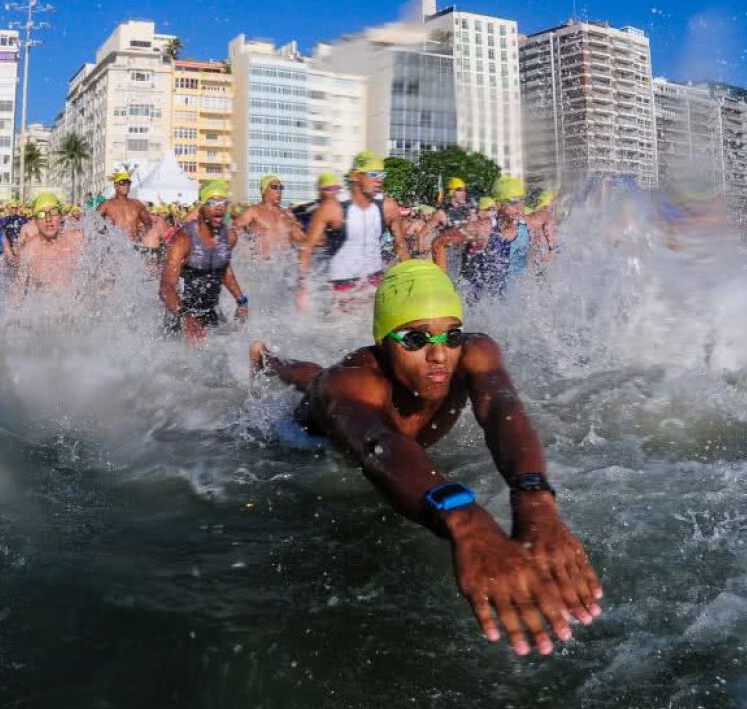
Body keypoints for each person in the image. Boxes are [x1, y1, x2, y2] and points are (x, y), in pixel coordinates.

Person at [249, 260, 601, 656]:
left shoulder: (474, 353)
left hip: (372, 416)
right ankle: (268, 361)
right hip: (314, 438)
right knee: (317, 381)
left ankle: (274, 360)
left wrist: (534, 496)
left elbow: (503, 409)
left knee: (321, 376)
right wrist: (466, 520)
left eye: (452, 336)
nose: (439, 356)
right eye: (416, 340)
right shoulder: (350, 383)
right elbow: (378, 443)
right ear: (382, 342)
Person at [296, 151, 409, 312]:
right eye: (373, 174)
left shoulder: (388, 207)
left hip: (374, 285)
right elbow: (306, 248)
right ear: (356, 176)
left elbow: (401, 246)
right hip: (342, 289)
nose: (379, 180)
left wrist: (412, 279)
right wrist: (302, 288)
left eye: (382, 174)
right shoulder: (333, 209)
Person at [159, 180, 248, 342]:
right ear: (202, 207)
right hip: (181, 318)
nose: (219, 207)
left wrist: (241, 299)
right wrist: (186, 317)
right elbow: (166, 286)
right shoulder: (184, 240)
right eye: (212, 202)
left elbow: (223, 267)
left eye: (223, 202)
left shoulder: (229, 237)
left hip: (212, 313)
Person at [432, 197, 517, 301]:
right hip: (472, 298)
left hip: (498, 299)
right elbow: (439, 242)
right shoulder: (480, 228)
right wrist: (443, 288)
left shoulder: (520, 225)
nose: (518, 207)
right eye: (488, 209)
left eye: (521, 200)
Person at [15, 193, 85, 294]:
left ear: (61, 216)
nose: (48, 219)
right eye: (41, 215)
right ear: (35, 221)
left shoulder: (78, 239)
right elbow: (18, 292)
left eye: (53, 212)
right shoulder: (28, 250)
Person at [230, 173, 306, 257]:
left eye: (281, 188)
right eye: (274, 187)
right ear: (264, 191)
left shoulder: (288, 215)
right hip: (261, 266)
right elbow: (232, 232)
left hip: (284, 267)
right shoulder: (253, 212)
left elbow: (302, 242)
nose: (279, 191)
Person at [99, 171, 154, 242]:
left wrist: (140, 235)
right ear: (115, 186)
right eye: (122, 183)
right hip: (114, 245)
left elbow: (148, 223)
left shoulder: (137, 204)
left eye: (128, 183)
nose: (126, 186)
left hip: (133, 246)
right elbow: (94, 222)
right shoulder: (106, 204)